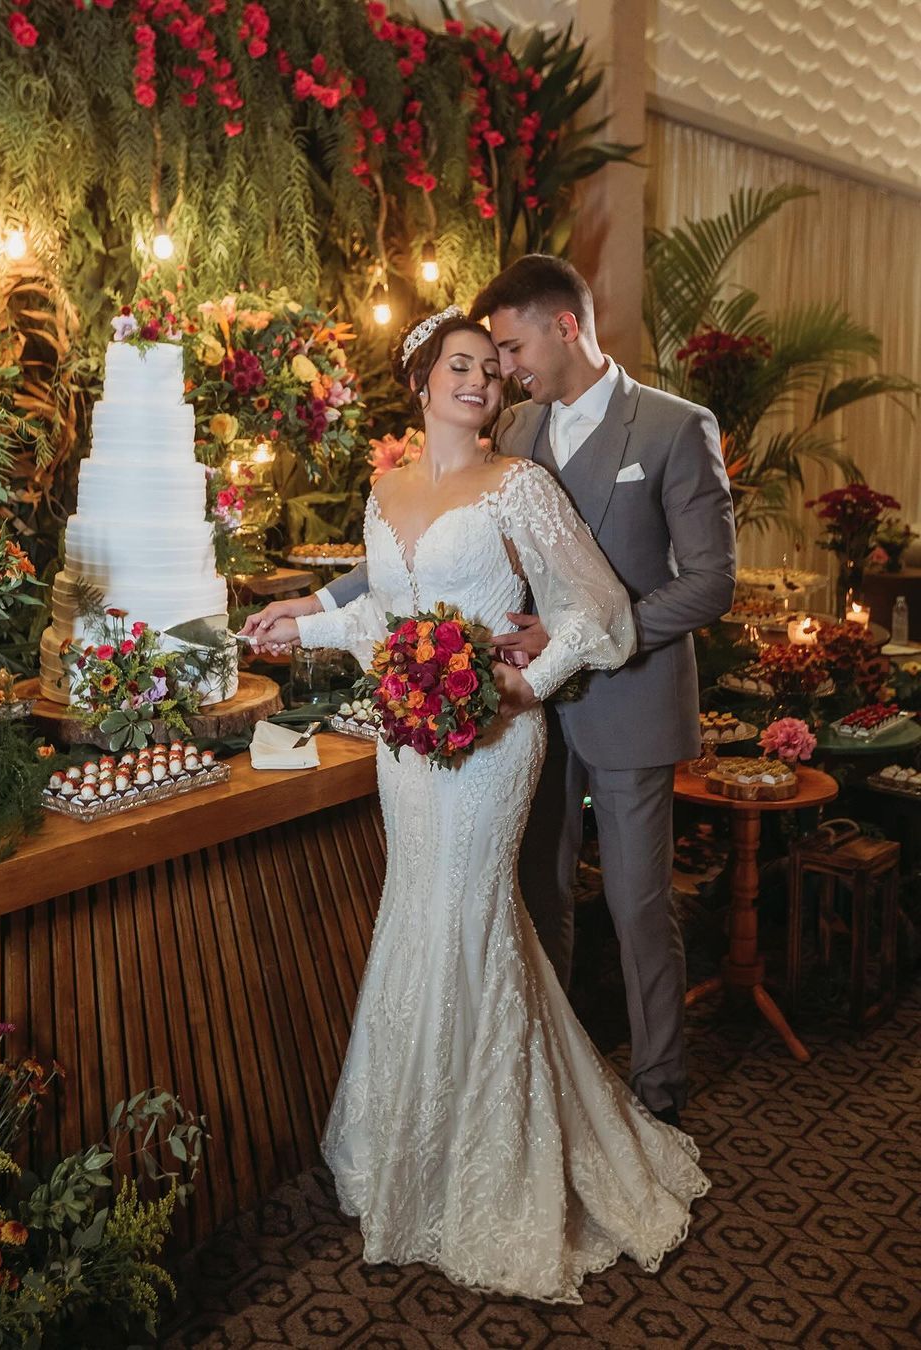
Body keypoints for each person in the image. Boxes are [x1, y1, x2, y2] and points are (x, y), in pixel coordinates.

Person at [247, 308, 708, 1303]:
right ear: (420, 382)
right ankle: (413, 1141)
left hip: (497, 744)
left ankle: (498, 1159)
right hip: (407, 750)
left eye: (493, 372)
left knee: (474, 915)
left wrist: (524, 687)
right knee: (416, 915)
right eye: (461, 367)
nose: (482, 384)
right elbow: (384, 617)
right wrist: (306, 623)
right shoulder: (386, 489)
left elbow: (602, 615)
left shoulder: (520, 486)